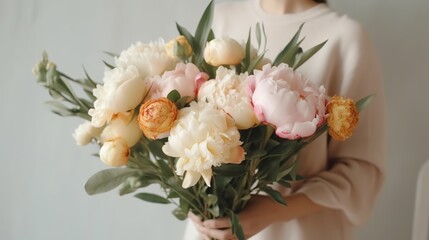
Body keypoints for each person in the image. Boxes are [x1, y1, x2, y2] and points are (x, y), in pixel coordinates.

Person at [184, 0, 385, 239]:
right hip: (210, 229)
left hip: (300, 231)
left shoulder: (346, 37)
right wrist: (193, 197)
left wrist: (275, 209)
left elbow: (361, 171)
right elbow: (191, 118)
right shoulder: (224, 16)